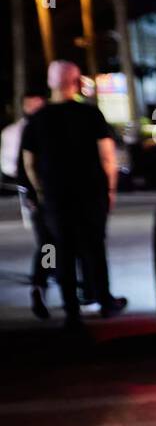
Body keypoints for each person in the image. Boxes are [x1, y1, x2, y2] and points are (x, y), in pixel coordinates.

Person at [20, 61, 127, 329]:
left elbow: (29, 161)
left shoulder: (37, 120)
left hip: (56, 197)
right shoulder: (90, 115)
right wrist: (110, 189)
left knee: (62, 251)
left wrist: (41, 191)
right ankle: (104, 300)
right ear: (76, 82)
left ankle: (71, 312)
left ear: (49, 82)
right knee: (94, 247)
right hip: (91, 193)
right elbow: (107, 156)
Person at [2, 91, 54, 318]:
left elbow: (18, 168)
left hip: (41, 196)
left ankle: (43, 283)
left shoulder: (29, 130)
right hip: (46, 197)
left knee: (48, 244)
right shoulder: (27, 131)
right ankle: (43, 282)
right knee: (51, 243)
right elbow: (21, 168)